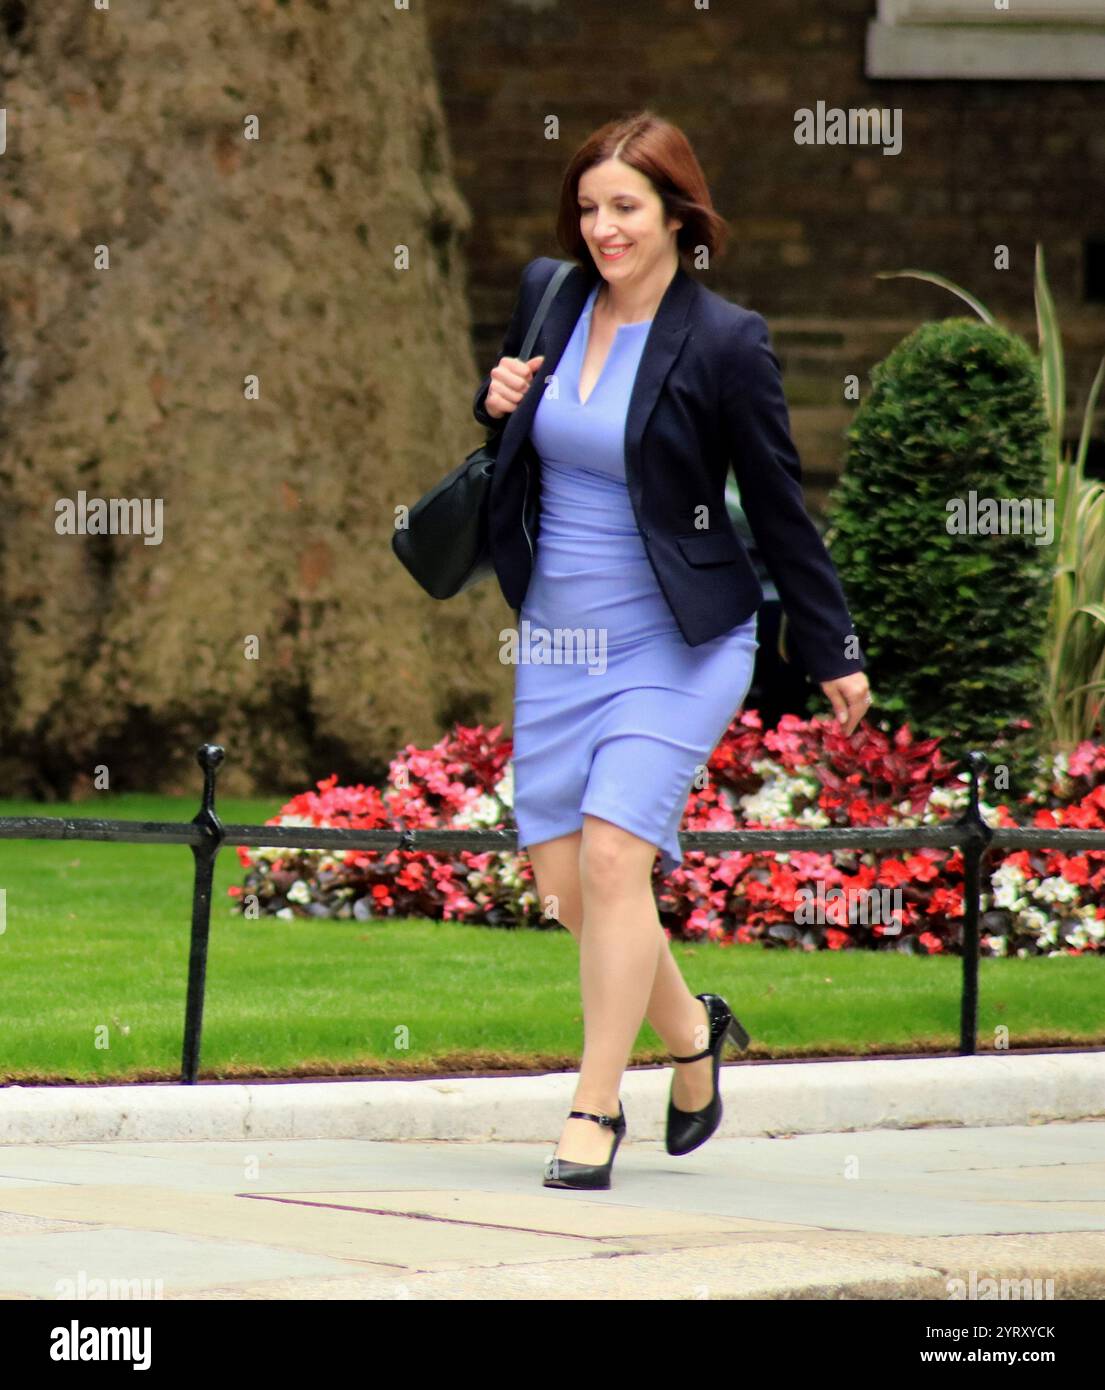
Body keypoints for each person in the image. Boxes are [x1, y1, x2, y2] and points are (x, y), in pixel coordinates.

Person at [473, 111, 872, 1189]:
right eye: (590, 207)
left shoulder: (724, 340)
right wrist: (496, 398)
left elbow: (779, 503)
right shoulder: (548, 297)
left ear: (675, 215)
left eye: (626, 208)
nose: (603, 228)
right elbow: (510, 441)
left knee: (615, 857)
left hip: (680, 637)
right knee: (565, 881)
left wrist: (830, 640)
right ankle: (693, 1034)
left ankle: (593, 1108)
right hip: (559, 636)